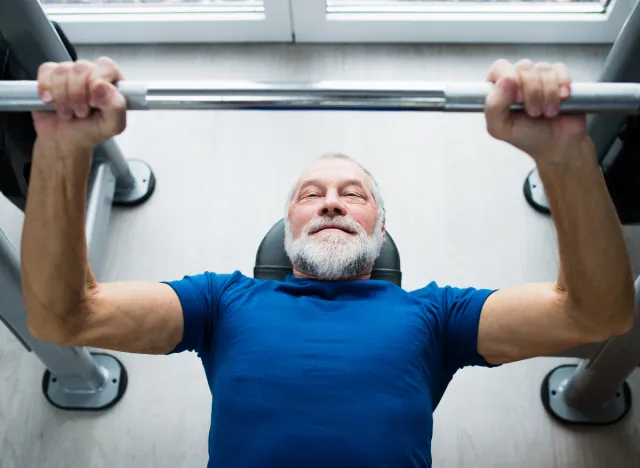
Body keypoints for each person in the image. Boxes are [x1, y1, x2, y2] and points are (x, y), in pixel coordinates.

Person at [21, 56, 634, 468]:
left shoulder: (438, 314)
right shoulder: (220, 302)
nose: (332, 203)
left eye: (354, 194)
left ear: (381, 228)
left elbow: (593, 317)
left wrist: (564, 154)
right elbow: (66, 320)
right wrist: (61, 149)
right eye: (310, 195)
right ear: (287, 227)